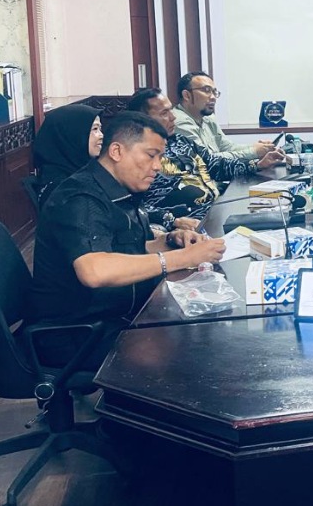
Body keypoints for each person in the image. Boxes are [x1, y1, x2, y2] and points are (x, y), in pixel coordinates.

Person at [27, 111, 225, 369]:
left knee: (205, 328)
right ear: (117, 151)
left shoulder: (117, 188)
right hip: (78, 333)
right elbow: (95, 270)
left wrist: (169, 241)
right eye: (151, 155)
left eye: (161, 157)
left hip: (113, 316)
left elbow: (126, 247)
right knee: (193, 349)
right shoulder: (81, 198)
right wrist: (181, 258)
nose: (157, 166)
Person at [129, 88, 277, 229]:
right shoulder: (135, 155)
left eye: (171, 110)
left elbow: (215, 165)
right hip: (189, 226)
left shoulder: (181, 140)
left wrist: (257, 165)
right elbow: (129, 206)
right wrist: (172, 220)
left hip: (217, 211)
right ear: (142, 119)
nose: (173, 117)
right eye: (164, 113)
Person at [173, 71, 284, 163]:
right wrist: (254, 152)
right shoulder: (179, 122)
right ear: (187, 95)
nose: (213, 97)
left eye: (214, 92)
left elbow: (227, 146)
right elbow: (208, 160)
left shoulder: (208, 118)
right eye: (206, 90)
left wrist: (257, 147)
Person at [32, 104, 105, 208]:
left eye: (100, 129)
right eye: (95, 129)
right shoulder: (63, 190)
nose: (101, 135)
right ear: (72, 135)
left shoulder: (83, 171)